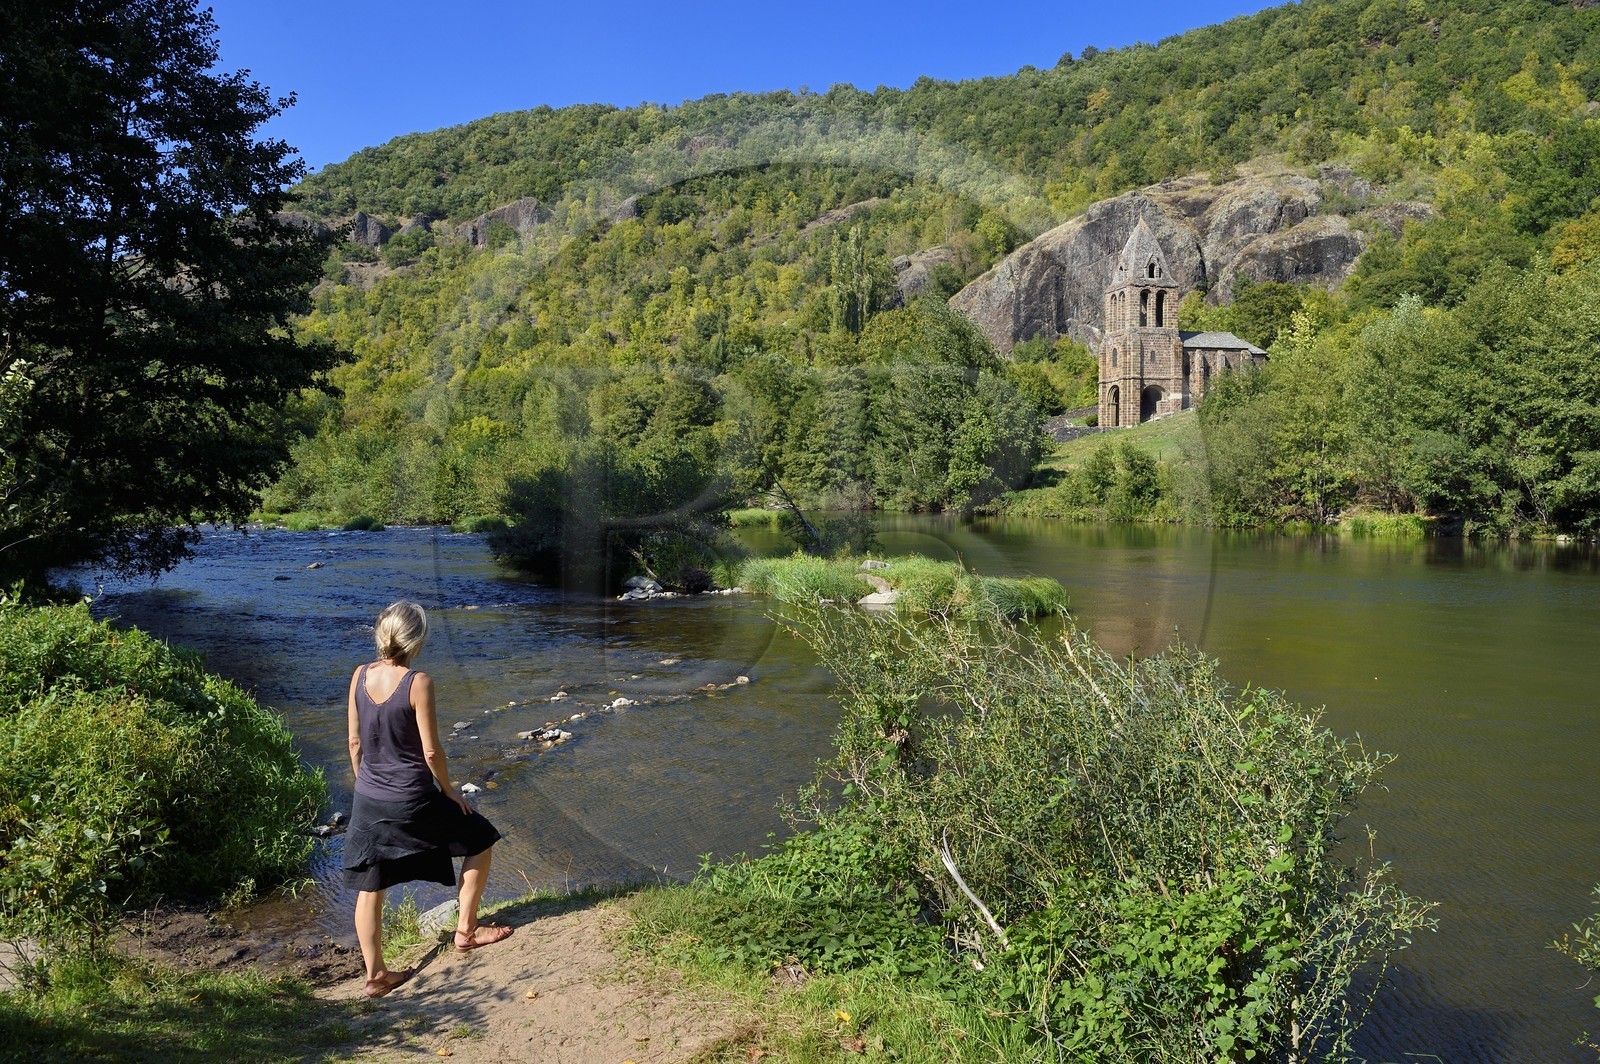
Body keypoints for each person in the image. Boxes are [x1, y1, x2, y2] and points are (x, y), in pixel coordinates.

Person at [342, 600, 512, 998]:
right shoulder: (418, 682)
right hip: (412, 798)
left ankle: (376, 976)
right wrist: (449, 791)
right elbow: (432, 752)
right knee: (481, 837)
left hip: (368, 797)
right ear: (416, 639)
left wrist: (366, 785)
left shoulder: (359, 675)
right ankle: (466, 931)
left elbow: (354, 743)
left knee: (371, 882)